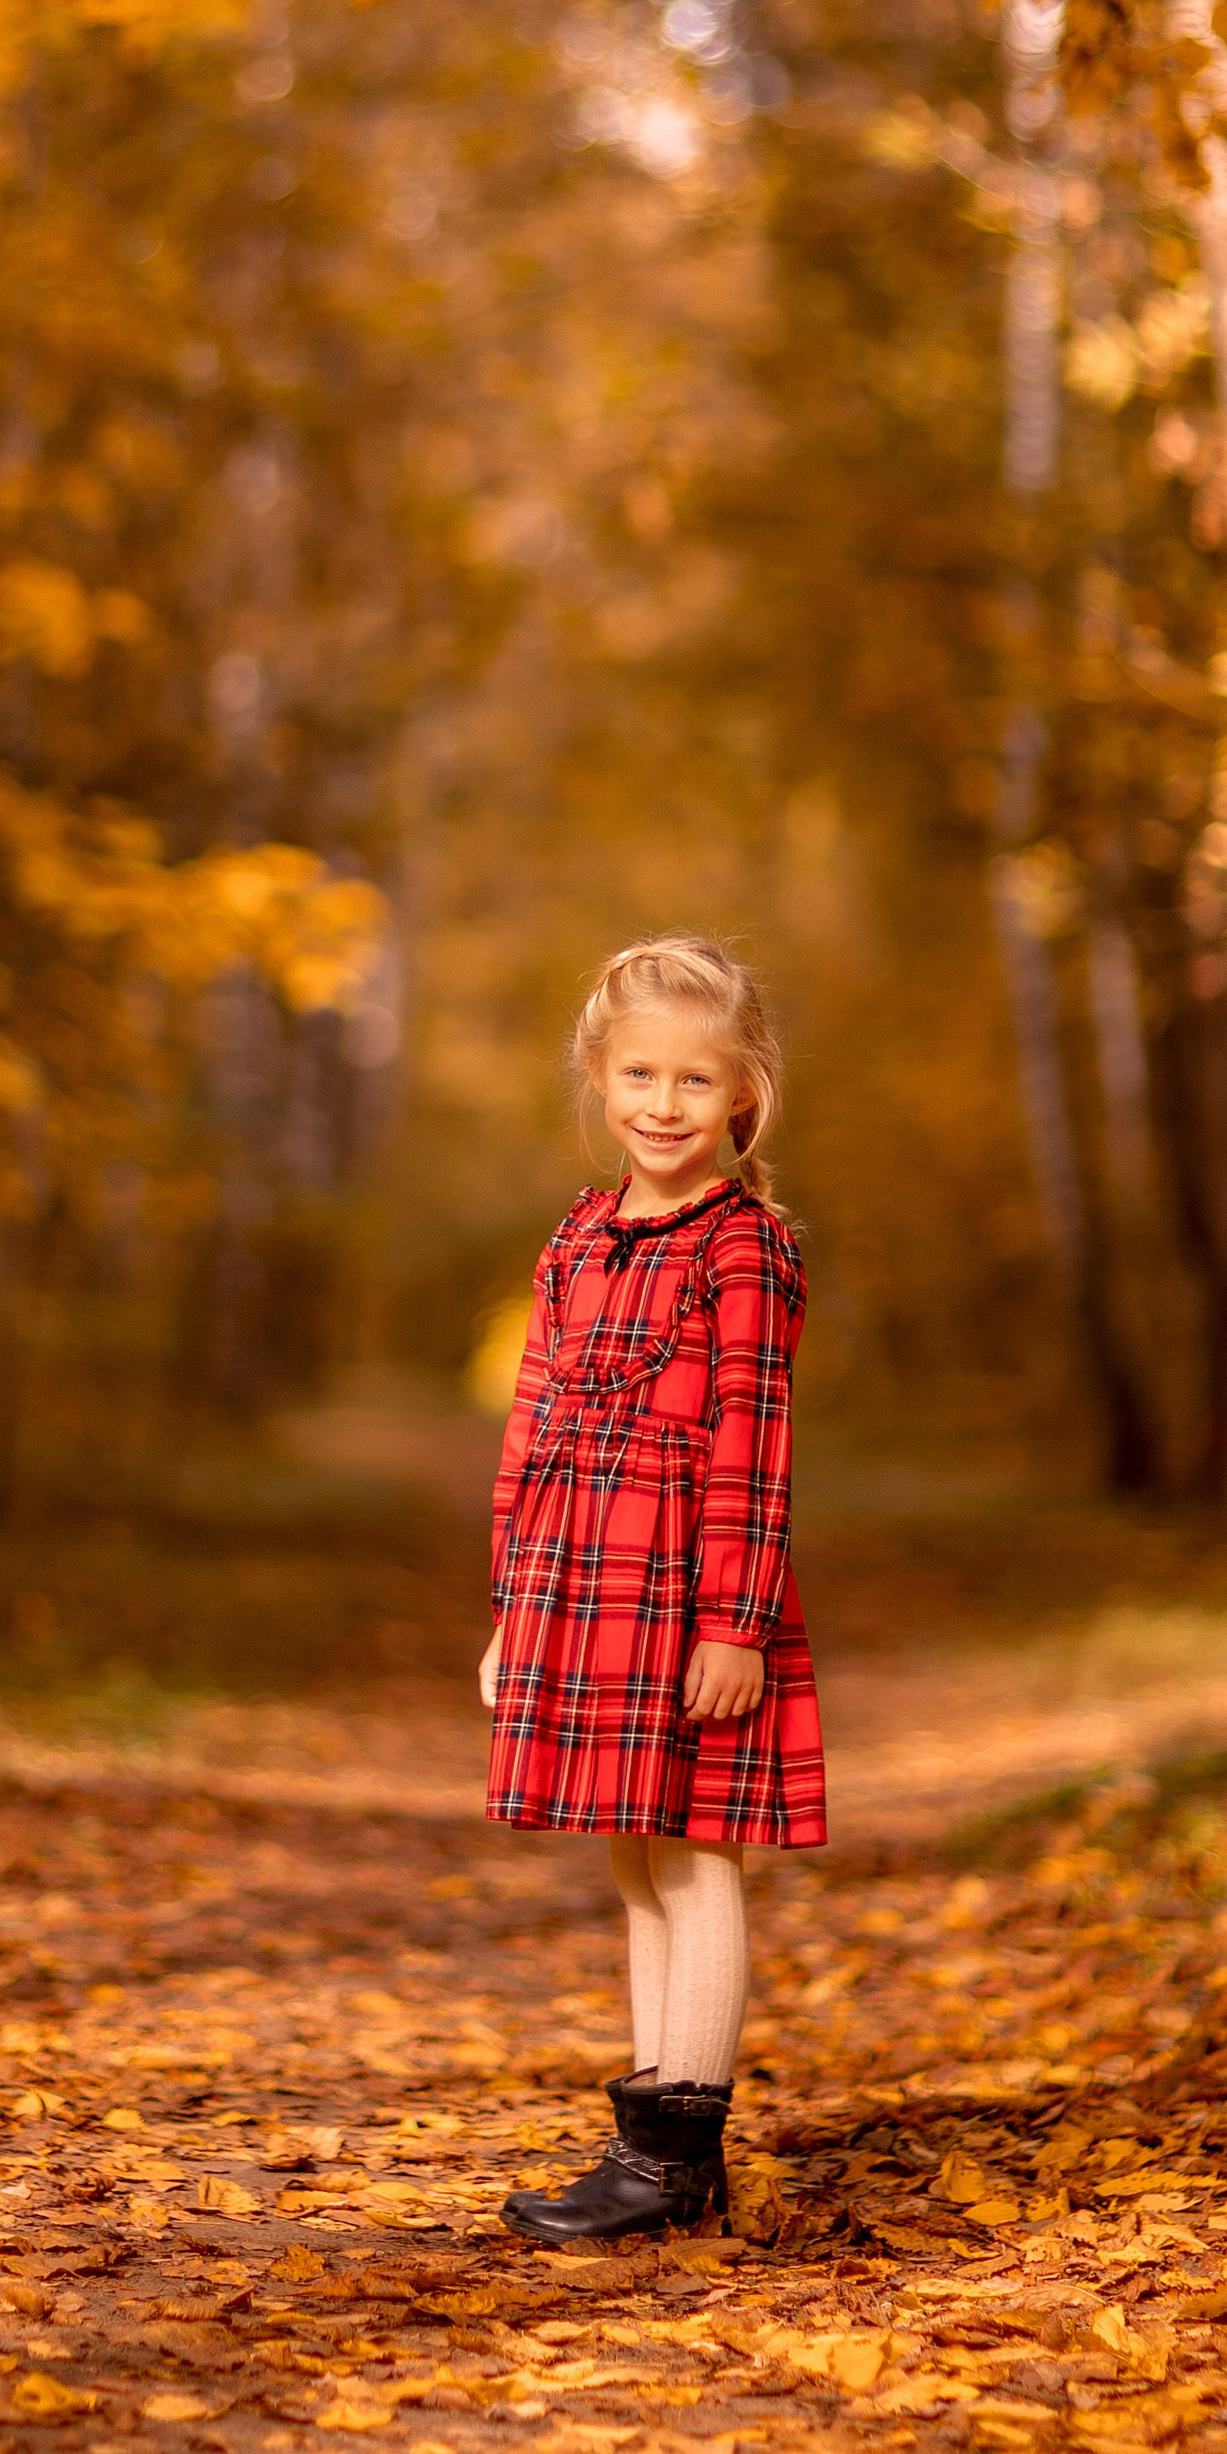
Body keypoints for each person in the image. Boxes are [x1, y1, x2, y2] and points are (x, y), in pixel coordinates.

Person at [478, 934, 825, 2244]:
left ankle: (681, 2154)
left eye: (694, 1081)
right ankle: (650, 2151)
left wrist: (735, 1621)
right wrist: (514, 1606)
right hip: (582, 1577)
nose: (664, 1105)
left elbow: (754, 1446)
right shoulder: (577, 1234)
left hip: (685, 1588)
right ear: (601, 1078)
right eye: (640, 1075)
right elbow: (530, 1423)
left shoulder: (747, 1252)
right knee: (638, 1859)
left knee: (694, 1858)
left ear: (743, 1093)